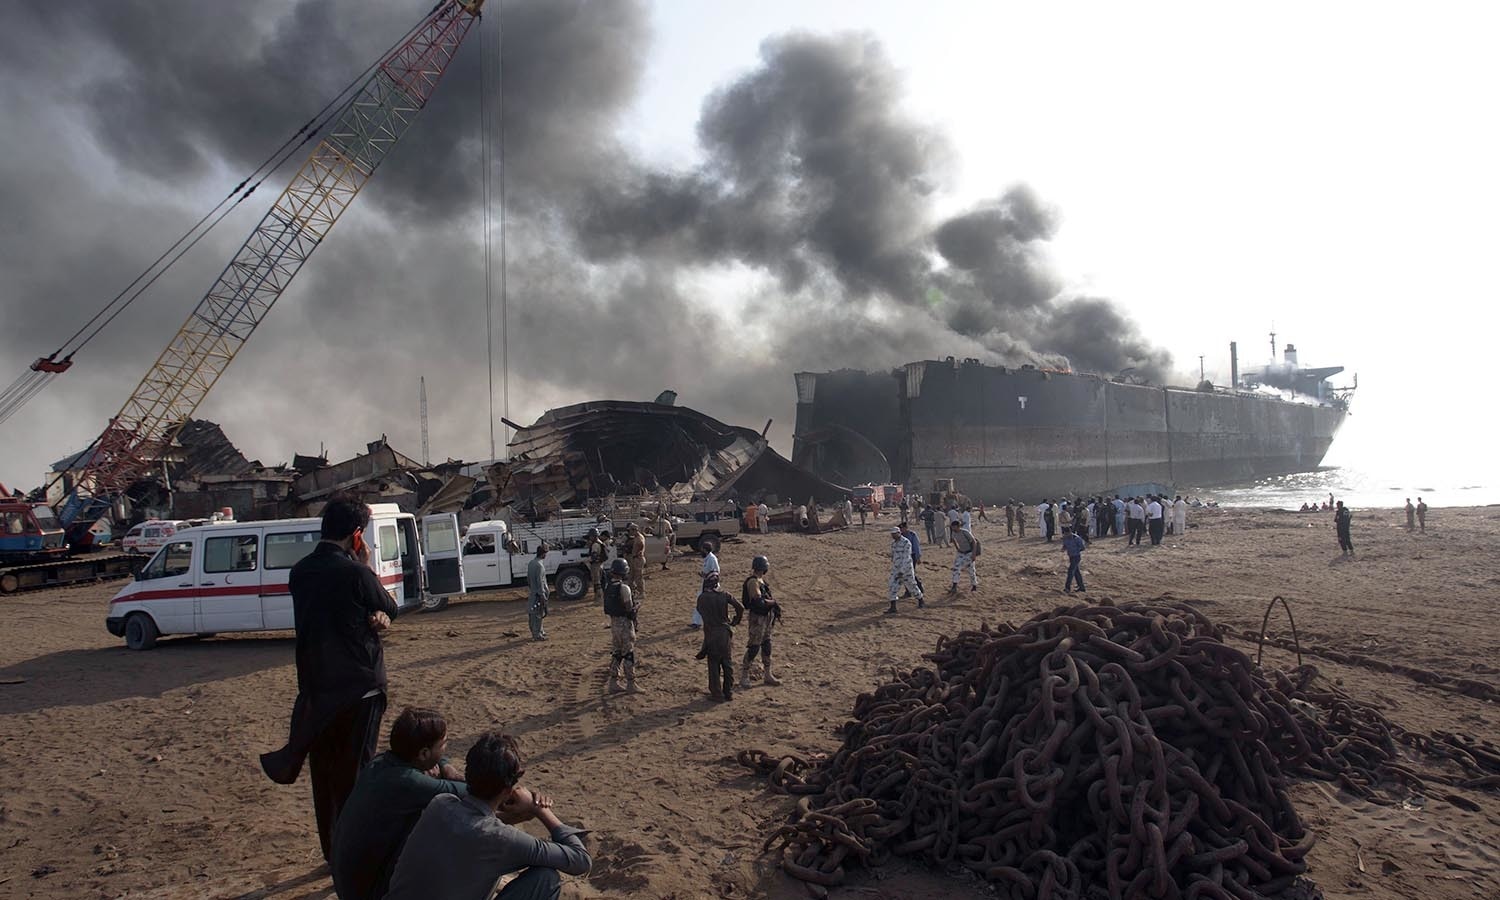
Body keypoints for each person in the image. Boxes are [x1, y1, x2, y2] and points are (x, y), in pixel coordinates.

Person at [260, 494, 398, 862]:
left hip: (316, 689)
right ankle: (356, 857)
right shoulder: (354, 572)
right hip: (359, 689)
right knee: (355, 776)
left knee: (323, 775)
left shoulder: (300, 572)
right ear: (356, 537)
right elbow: (390, 607)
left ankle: (332, 853)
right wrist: (366, 567)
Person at [384, 732, 591, 900]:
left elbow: (474, 826)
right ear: (508, 790)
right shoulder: (503, 840)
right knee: (546, 878)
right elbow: (580, 860)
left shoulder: (440, 804)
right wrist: (540, 810)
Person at [331, 707, 466, 900]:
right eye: (443, 744)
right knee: (444, 817)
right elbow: (467, 792)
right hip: (369, 892)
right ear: (424, 754)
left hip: (348, 882)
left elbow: (432, 761)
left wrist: (445, 765)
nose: (445, 748)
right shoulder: (407, 782)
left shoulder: (381, 763)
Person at [694, 572, 744, 701]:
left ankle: (717, 694)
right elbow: (740, 607)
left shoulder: (702, 598)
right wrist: (735, 621)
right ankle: (728, 692)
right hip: (725, 633)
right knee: (727, 663)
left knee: (714, 664)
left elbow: (700, 611)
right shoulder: (724, 595)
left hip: (711, 634)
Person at [740, 556, 782, 689]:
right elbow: (759, 601)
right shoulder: (753, 582)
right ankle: (744, 675)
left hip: (765, 618)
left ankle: (767, 674)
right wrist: (773, 603)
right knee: (754, 647)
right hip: (758, 619)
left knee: (767, 645)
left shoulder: (760, 581)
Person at [602, 558, 641, 693]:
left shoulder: (608, 587)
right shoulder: (624, 588)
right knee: (628, 654)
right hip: (625, 624)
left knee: (617, 653)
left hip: (614, 624)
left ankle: (613, 682)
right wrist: (636, 609)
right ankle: (631, 683)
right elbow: (629, 608)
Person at [886, 526, 924, 614]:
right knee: (892, 586)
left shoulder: (906, 543)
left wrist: (902, 571)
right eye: (892, 535)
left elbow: (906, 558)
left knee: (912, 586)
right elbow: (893, 555)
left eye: (895, 534)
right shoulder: (893, 544)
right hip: (896, 569)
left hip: (906, 569)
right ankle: (893, 607)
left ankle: (920, 600)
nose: (893, 536)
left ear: (899, 533)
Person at [693, 546, 721, 629]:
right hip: (706, 584)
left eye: (702, 550)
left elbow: (715, 573)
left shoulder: (712, 559)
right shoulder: (708, 558)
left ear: (705, 550)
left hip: (711, 585)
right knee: (701, 603)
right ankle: (697, 622)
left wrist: (707, 577)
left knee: (711, 604)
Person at [948, 520, 979, 593]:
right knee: (956, 568)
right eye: (952, 528)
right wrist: (957, 549)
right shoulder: (953, 533)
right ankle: (954, 586)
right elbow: (953, 540)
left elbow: (974, 542)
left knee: (971, 570)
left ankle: (974, 585)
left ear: (959, 527)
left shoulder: (965, 532)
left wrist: (974, 554)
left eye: (955, 528)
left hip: (969, 553)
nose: (953, 529)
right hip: (961, 553)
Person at [527, 543, 550, 641]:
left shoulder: (531, 563)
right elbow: (540, 581)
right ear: (543, 554)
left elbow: (528, 579)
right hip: (538, 594)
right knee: (538, 614)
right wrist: (542, 595)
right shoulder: (540, 566)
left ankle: (539, 631)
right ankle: (537, 634)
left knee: (534, 613)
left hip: (533, 592)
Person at [624, 523, 647, 600]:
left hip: (638, 559)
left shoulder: (639, 538)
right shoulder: (636, 537)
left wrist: (638, 552)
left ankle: (641, 592)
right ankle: (634, 591)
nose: (629, 532)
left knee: (638, 577)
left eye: (630, 530)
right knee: (631, 577)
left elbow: (640, 545)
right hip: (634, 559)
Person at [586, 528, 609, 604]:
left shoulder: (595, 545)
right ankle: (599, 597)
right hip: (600, 564)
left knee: (597, 582)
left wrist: (587, 560)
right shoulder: (600, 542)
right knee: (599, 581)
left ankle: (599, 599)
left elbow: (594, 556)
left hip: (596, 565)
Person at [1062, 526, 1086, 594]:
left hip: (1076, 557)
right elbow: (1065, 545)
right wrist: (1063, 548)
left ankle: (1067, 587)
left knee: (1070, 571)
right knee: (1076, 572)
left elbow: (1082, 547)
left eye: (1067, 533)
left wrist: (1076, 551)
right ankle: (1081, 587)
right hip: (1071, 556)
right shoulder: (1065, 538)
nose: (1066, 535)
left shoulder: (1077, 538)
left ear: (1070, 532)